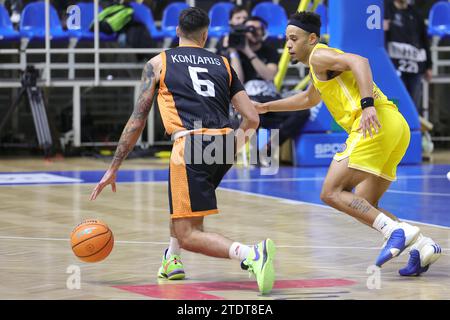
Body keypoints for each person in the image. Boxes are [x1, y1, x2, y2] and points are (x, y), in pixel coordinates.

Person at [89, 7, 276, 294]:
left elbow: (137, 120)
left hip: (191, 142)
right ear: (204, 36)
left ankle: (250, 254)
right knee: (183, 206)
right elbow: (252, 118)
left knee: (189, 234)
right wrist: (231, 149)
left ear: (177, 31)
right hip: (224, 142)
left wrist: (113, 167)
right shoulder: (224, 63)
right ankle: (171, 259)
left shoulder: (158, 62)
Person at [254, 11, 441, 276]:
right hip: (396, 127)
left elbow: (359, 60)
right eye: (287, 40)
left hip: (373, 124)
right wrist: (266, 106)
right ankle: (422, 246)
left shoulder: (319, 54)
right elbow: (308, 100)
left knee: (330, 192)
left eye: (294, 39)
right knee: (366, 205)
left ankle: (398, 231)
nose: (288, 46)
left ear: (312, 38)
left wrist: (366, 105)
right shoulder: (318, 67)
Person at [219, 15, 310, 166]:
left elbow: (269, 75)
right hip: (250, 100)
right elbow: (238, 80)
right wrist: (235, 52)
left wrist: (249, 52)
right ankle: (254, 154)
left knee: (302, 112)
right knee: (251, 112)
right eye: (249, 29)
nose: (253, 32)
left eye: (257, 29)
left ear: (263, 32)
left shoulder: (269, 49)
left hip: (271, 99)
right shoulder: (234, 53)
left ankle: (269, 146)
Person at [384, 0, 432, 116]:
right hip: (394, 67)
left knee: (413, 105)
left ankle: (412, 131)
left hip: (415, 68)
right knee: (396, 103)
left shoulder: (416, 13)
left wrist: (429, 66)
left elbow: (424, 40)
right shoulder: (386, 11)